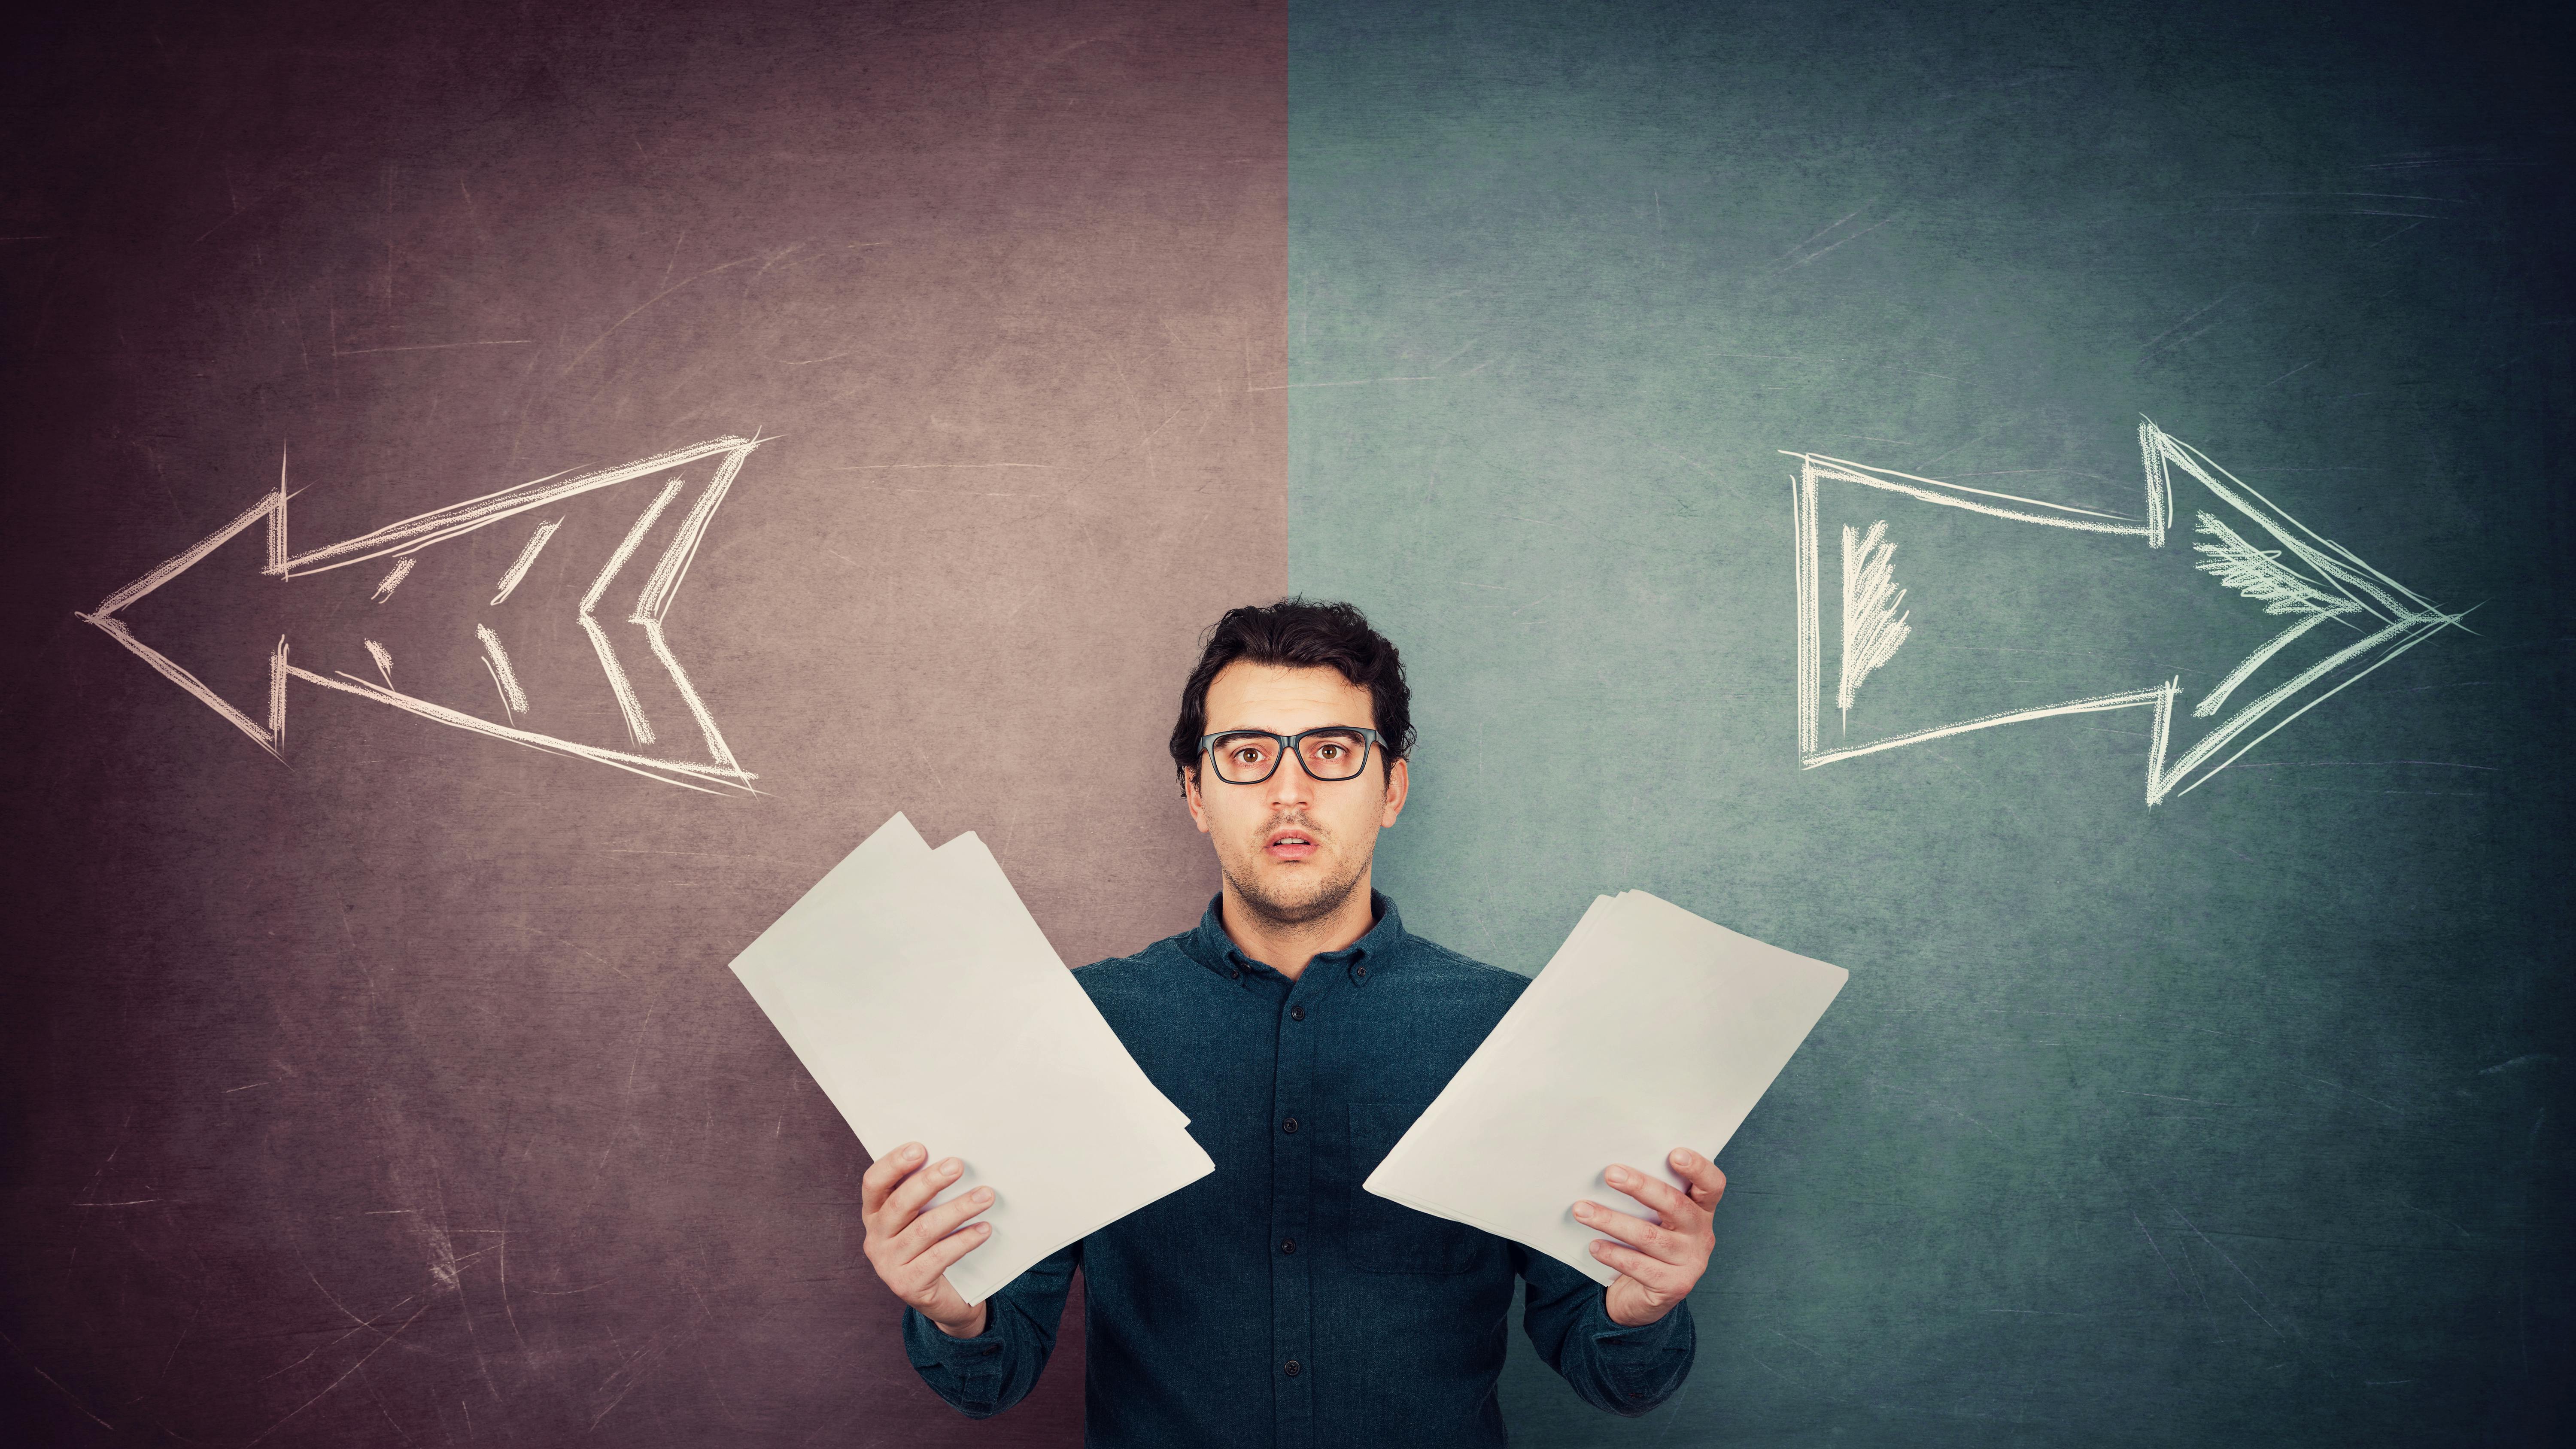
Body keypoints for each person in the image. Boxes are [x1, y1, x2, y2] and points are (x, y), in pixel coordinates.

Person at [863, 599, 1721, 1444]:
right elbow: (994, 1371)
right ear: (1196, 792)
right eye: (1245, 753)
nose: (1290, 790)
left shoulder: (1518, 1026)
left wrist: (1643, 1305)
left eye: (1333, 750)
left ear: (1393, 788)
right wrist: (951, 1308)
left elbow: (1609, 1370)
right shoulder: (1079, 1025)